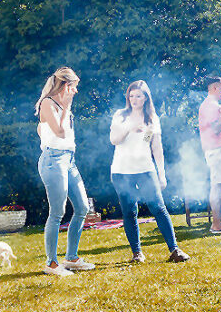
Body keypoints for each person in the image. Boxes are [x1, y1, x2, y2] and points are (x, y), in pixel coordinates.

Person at [109, 80, 190, 263]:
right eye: (131, 95)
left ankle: (175, 250)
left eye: (138, 96)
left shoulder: (152, 118)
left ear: (146, 98)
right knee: (129, 211)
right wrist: (129, 128)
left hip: (145, 169)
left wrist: (161, 174)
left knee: (159, 208)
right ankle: (137, 253)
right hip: (122, 171)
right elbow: (114, 140)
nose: (134, 99)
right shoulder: (120, 116)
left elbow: (155, 147)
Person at [36, 67, 95, 277]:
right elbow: (60, 133)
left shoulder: (61, 106)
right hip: (53, 160)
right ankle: (51, 263)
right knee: (57, 212)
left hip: (69, 160)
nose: (76, 92)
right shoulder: (47, 103)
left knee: (82, 207)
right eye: (74, 87)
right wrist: (67, 107)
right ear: (66, 86)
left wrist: (66, 108)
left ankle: (71, 258)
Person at [198, 76, 221, 234]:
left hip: (216, 149)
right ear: (214, 88)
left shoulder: (209, 105)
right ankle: (217, 224)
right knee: (219, 186)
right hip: (216, 149)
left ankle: (220, 221)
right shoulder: (212, 105)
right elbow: (215, 129)